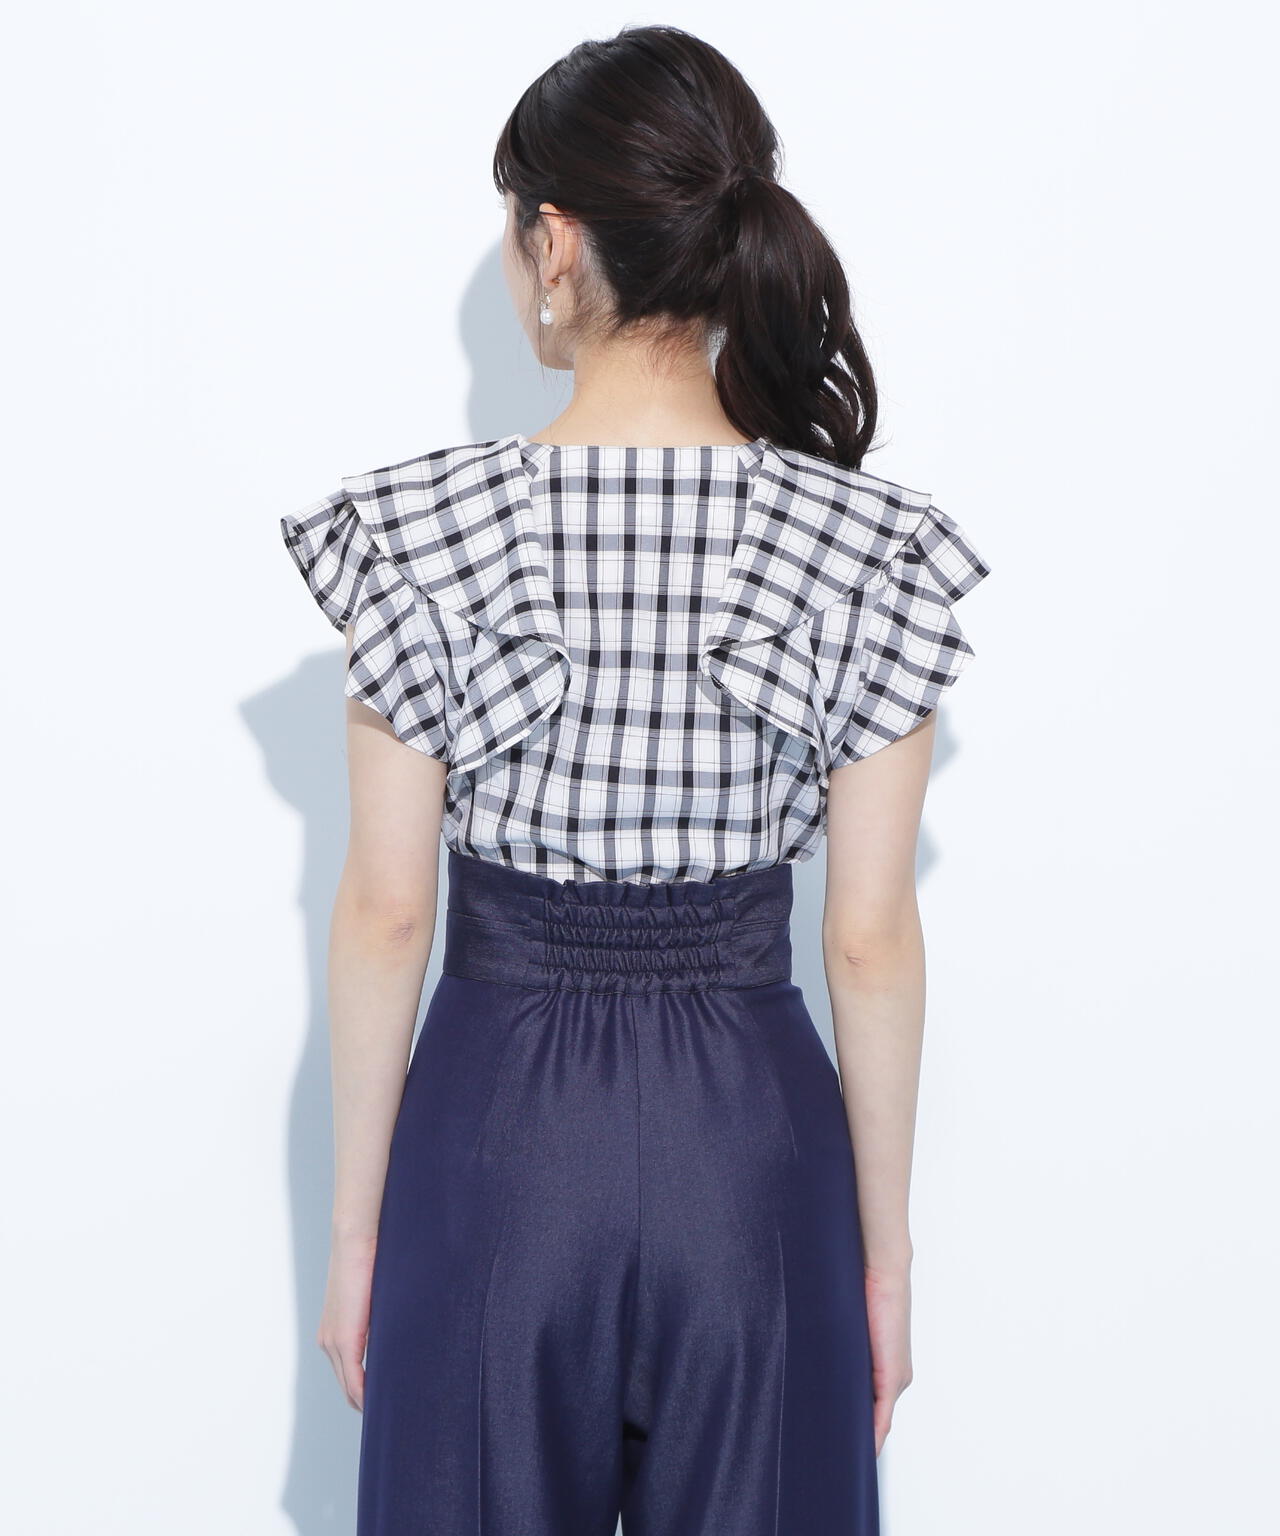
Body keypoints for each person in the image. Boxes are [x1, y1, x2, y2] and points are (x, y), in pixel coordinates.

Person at [280, 23, 990, 1536]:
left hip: (496, 1142)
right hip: (752, 1151)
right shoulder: (863, 548)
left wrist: (356, 1238)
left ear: (556, 243)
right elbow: (869, 938)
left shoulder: (423, 534)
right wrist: (881, 1262)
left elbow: (388, 913)